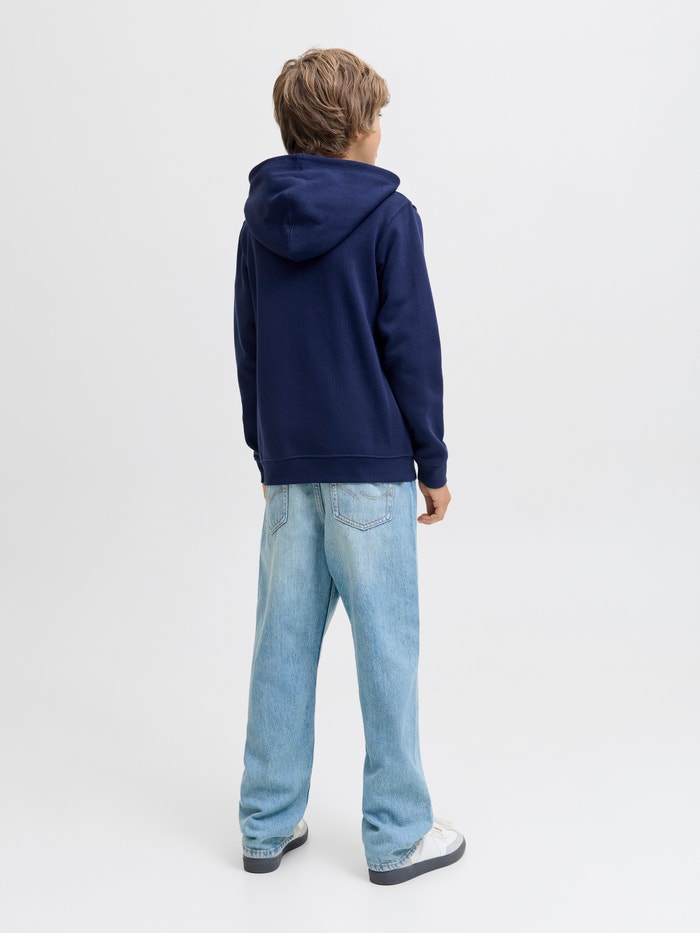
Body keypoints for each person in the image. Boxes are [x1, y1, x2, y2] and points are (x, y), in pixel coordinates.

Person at [232, 47, 465, 885]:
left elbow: (249, 345)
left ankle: (265, 823)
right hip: (372, 467)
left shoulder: (258, 221)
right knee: (387, 649)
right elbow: (412, 346)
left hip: (291, 470)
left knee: (282, 645)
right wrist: (431, 457)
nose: (382, 132)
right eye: (378, 118)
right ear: (356, 125)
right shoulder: (389, 215)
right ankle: (398, 833)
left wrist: (266, 449)